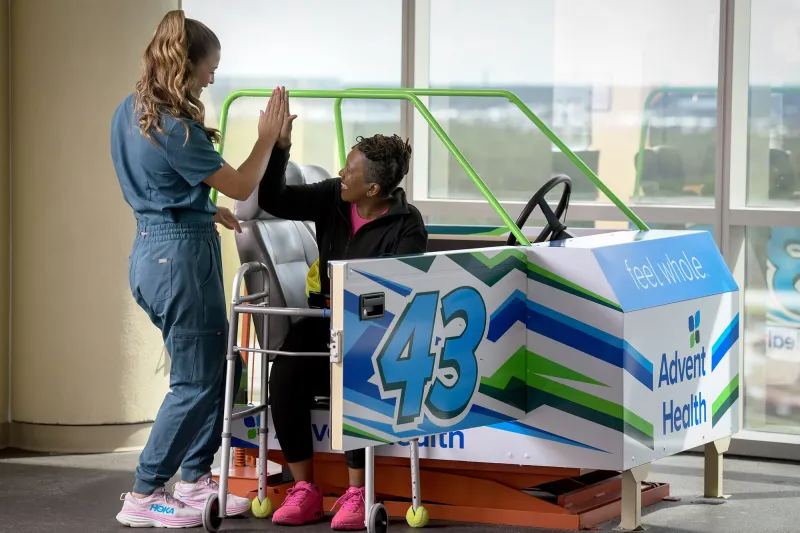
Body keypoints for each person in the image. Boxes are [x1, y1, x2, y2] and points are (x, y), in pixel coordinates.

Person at [110, 10, 290, 528]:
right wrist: (267, 137)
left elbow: (153, 188)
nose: (212, 77)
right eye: (210, 68)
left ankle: (193, 482)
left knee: (214, 372)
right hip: (181, 262)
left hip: (154, 251)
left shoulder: (129, 111)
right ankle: (144, 494)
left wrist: (203, 208)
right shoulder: (176, 127)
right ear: (186, 66)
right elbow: (238, 182)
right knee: (194, 380)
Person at [257, 91, 428, 530]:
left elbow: (399, 294)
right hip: (325, 323)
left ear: (373, 189)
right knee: (287, 370)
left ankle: (356, 492)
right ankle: (306, 490)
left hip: (377, 333)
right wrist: (279, 148)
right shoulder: (334, 197)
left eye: (349, 171)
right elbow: (273, 199)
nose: (340, 174)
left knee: (348, 368)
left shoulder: (407, 225)